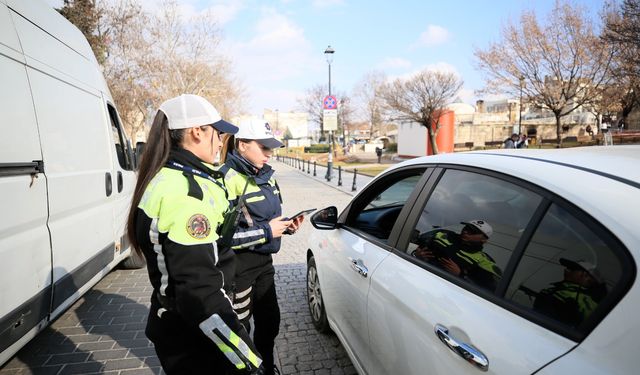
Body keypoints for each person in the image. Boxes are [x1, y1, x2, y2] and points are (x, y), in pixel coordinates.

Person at [126, 94, 263, 374]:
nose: (221, 142)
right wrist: (248, 360)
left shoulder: (174, 177)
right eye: (219, 133)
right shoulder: (185, 194)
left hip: (181, 327)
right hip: (195, 339)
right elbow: (200, 293)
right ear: (197, 132)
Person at [219, 118, 304, 375]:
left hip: (265, 264)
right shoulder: (225, 178)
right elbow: (223, 239)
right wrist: (268, 231)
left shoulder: (268, 177)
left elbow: (269, 221)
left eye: (271, 148)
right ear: (242, 145)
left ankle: (266, 367)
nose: (269, 154)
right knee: (240, 330)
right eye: (263, 147)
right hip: (238, 268)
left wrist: (286, 227)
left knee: (270, 323)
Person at [413, 220, 502, 291]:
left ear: (484, 240)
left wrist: (461, 275)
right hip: (415, 275)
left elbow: (489, 290)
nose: (466, 231)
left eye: (473, 231)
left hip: (444, 292)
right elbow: (408, 243)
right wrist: (416, 255)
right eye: (466, 227)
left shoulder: (484, 262)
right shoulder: (442, 235)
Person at [533, 258, 607, 326]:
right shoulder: (555, 290)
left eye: (573, 268)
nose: (566, 269)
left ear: (585, 276)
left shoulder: (587, 300)